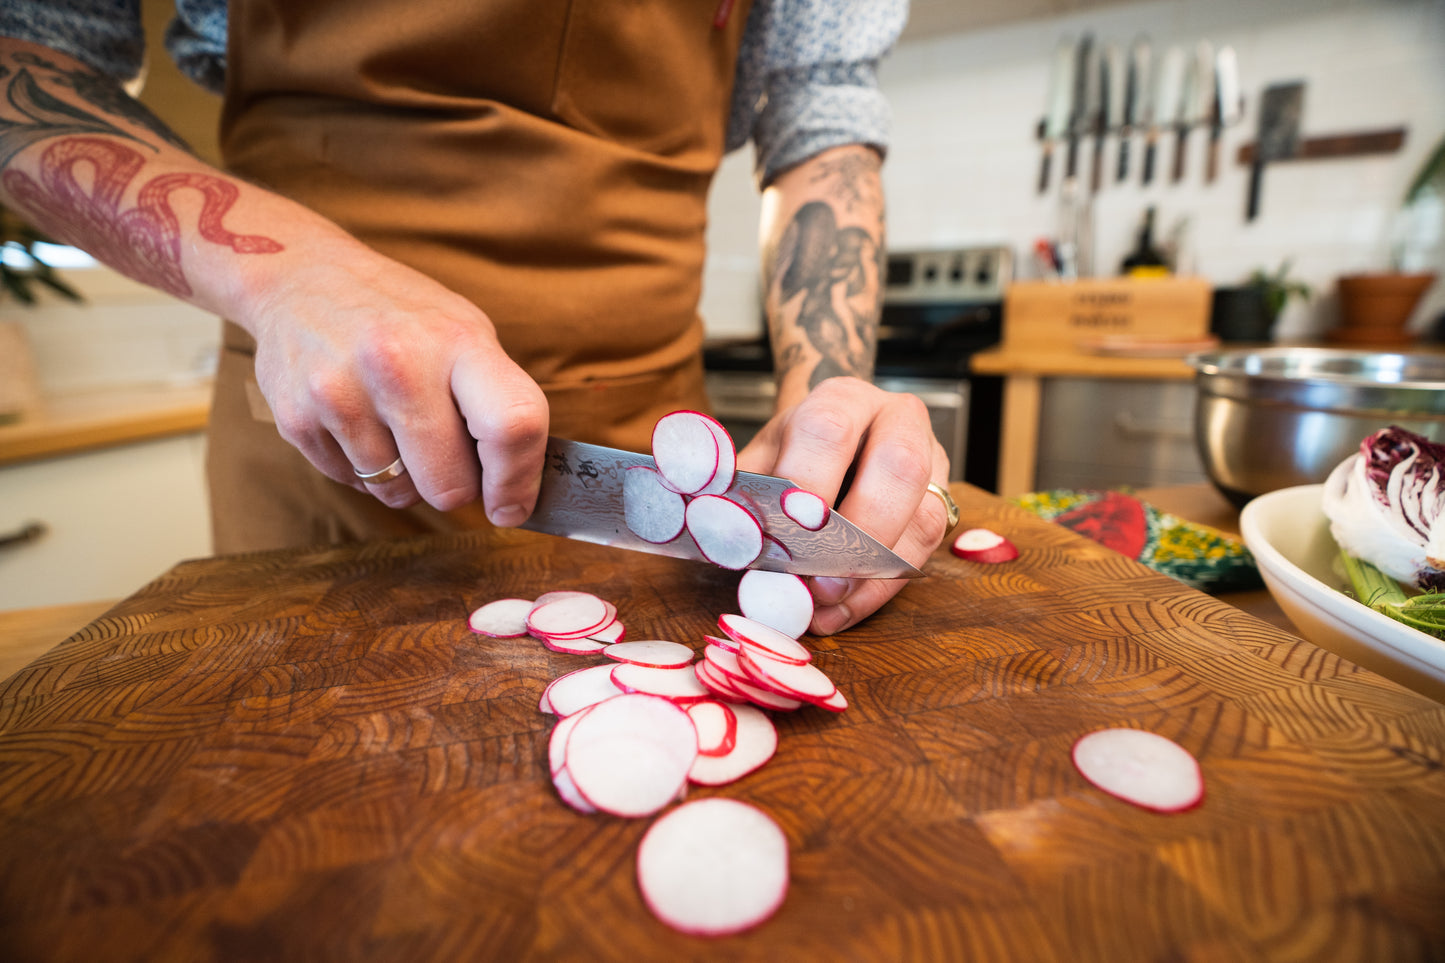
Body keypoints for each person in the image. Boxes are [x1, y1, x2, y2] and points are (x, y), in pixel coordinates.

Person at [0, 0, 957, 635]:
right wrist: (296, 276)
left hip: (653, 469)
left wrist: (826, 388)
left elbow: (820, 115)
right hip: (329, 448)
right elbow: (25, 54)